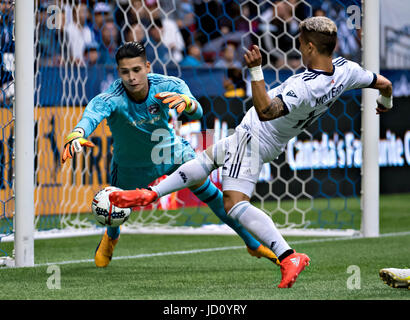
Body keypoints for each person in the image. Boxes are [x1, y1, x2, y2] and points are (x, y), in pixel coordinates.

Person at [109, 17, 394, 288]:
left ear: (309, 47)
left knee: (234, 204)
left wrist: (256, 69)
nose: (299, 45)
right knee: (206, 160)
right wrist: (386, 101)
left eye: (301, 41)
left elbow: (267, 110)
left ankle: (287, 255)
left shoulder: (303, 87)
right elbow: (384, 83)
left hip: (256, 136)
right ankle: (149, 194)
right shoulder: (346, 70)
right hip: (267, 138)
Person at [61, 41, 279, 268]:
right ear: (119, 72)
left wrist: (188, 104)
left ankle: (252, 243)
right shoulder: (111, 98)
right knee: (114, 207)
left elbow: (197, 111)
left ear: (147, 66)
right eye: (125, 72)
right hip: (130, 166)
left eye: (136, 70)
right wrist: (77, 133)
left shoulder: (168, 85)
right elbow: (91, 116)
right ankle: (111, 236)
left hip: (172, 153)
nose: (132, 77)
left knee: (214, 197)